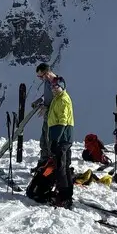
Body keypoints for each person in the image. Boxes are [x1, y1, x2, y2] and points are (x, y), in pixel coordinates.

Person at [46, 76, 75, 207]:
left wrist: (55, 140)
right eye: (52, 86)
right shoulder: (57, 99)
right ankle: (67, 193)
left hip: (62, 138)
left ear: (62, 86)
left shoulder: (63, 99)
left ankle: (63, 197)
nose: (53, 89)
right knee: (65, 166)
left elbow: (62, 120)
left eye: (56, 86)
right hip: (63, 137)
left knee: (60, 167)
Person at [33, 63, 58, 167]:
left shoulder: (56, 82)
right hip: (47, 116)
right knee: (43, 140)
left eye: (40, 76)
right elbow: (47, 96)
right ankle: (43, 162)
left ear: (46, 73)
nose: (40, 79)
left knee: (49, 141)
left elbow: (58, 100)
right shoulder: (47, 82)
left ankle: (50, 164)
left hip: (53, 117)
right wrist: (40, 101)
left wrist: (47, 107)